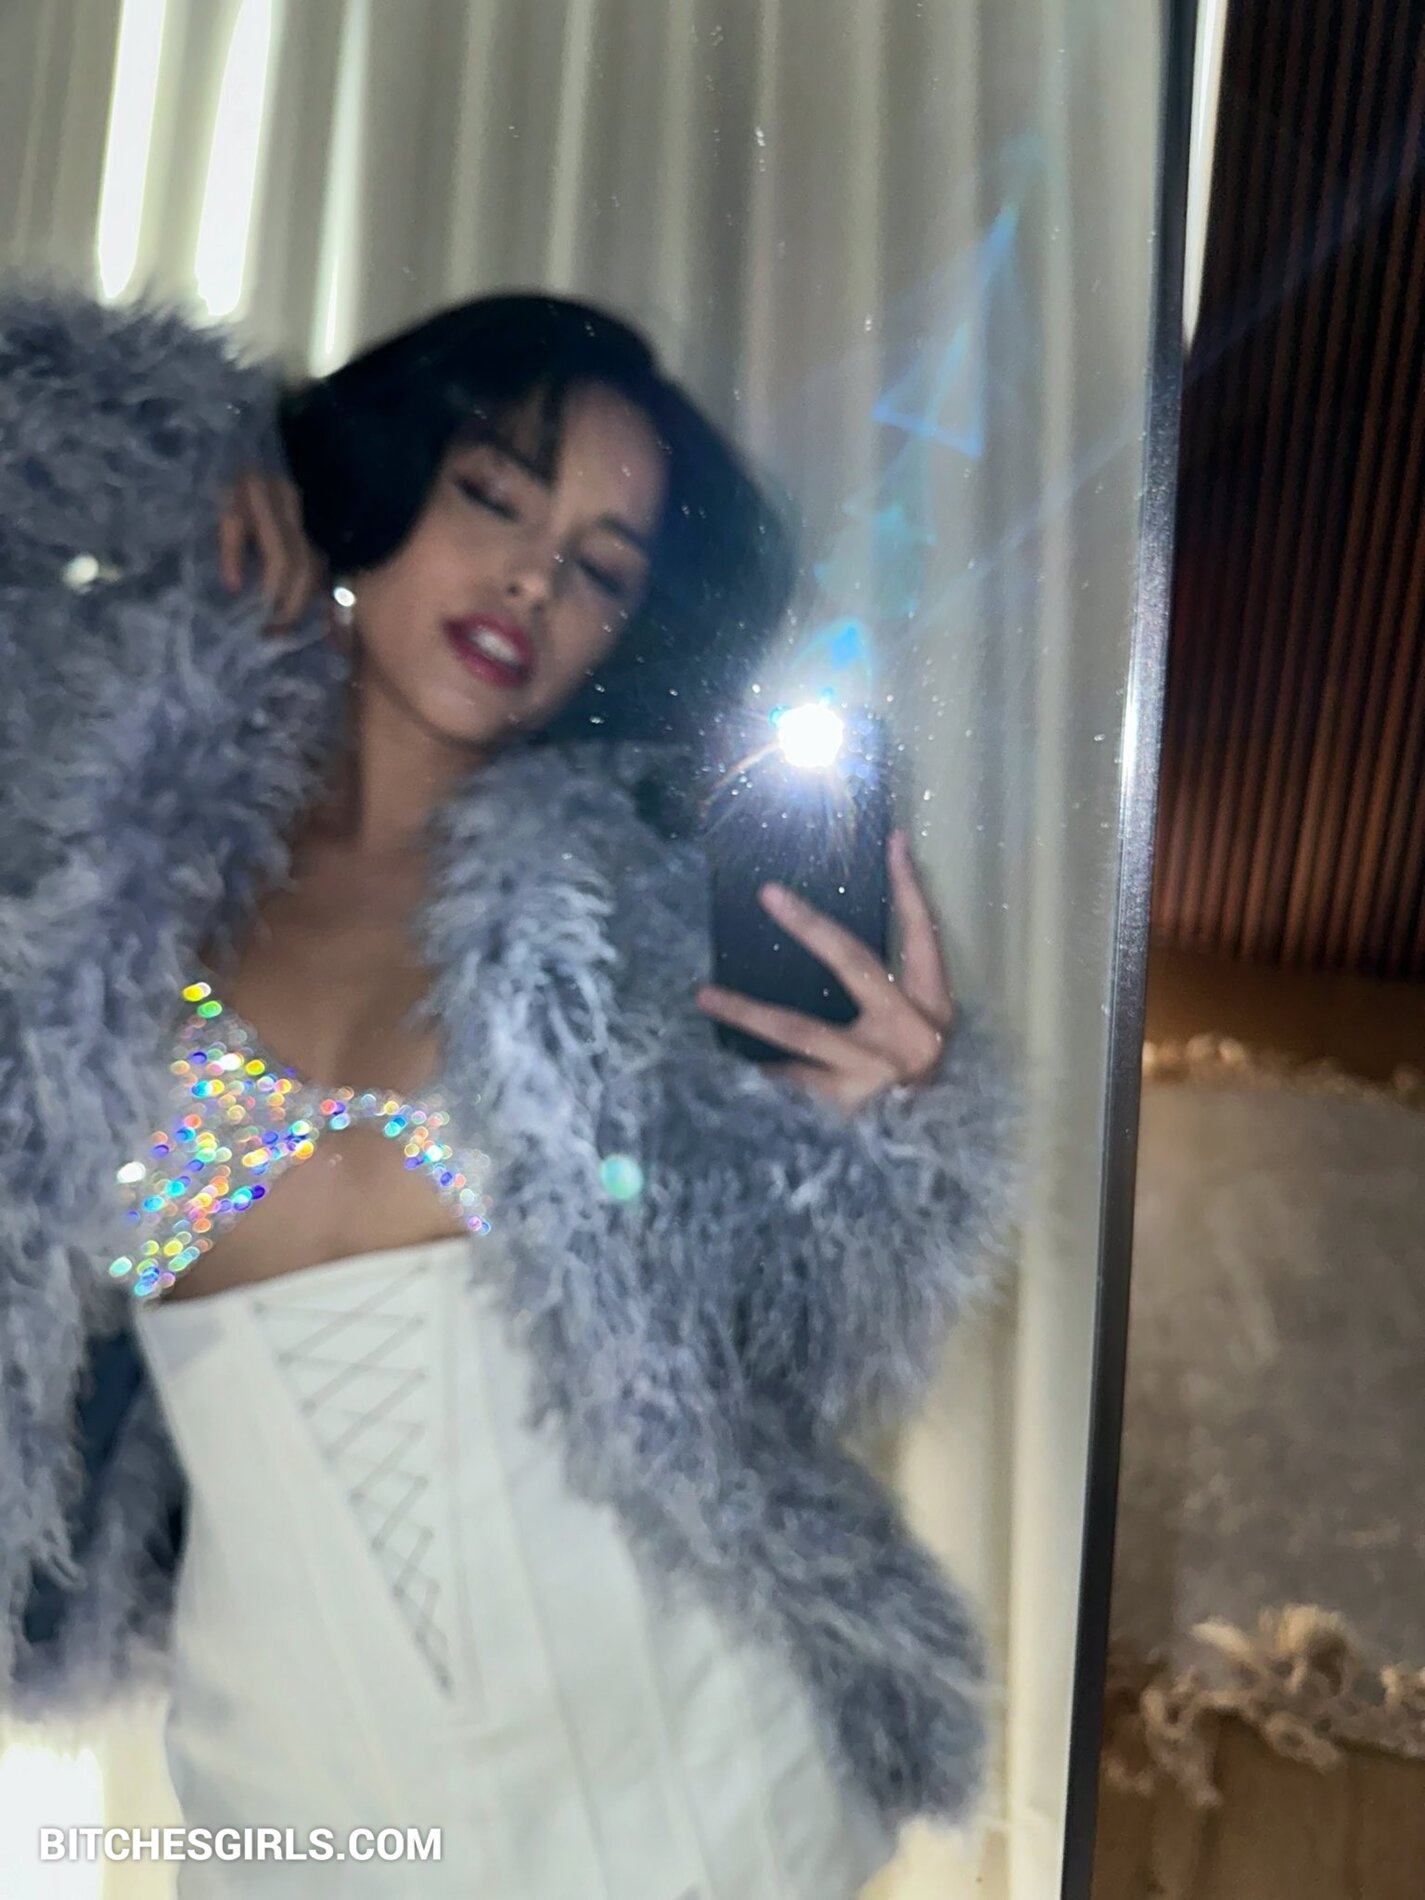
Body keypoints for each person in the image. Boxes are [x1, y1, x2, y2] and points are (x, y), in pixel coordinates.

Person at [0, 282, 1018, 1897]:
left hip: (697, 1776)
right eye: (494, 495)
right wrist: (185, 457)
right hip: (303, 1791)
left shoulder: (636, 918)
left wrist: (865, 1153)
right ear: (386, 476)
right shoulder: (106, 824)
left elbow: (785, 1358)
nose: (536, 578)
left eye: (601, 570)